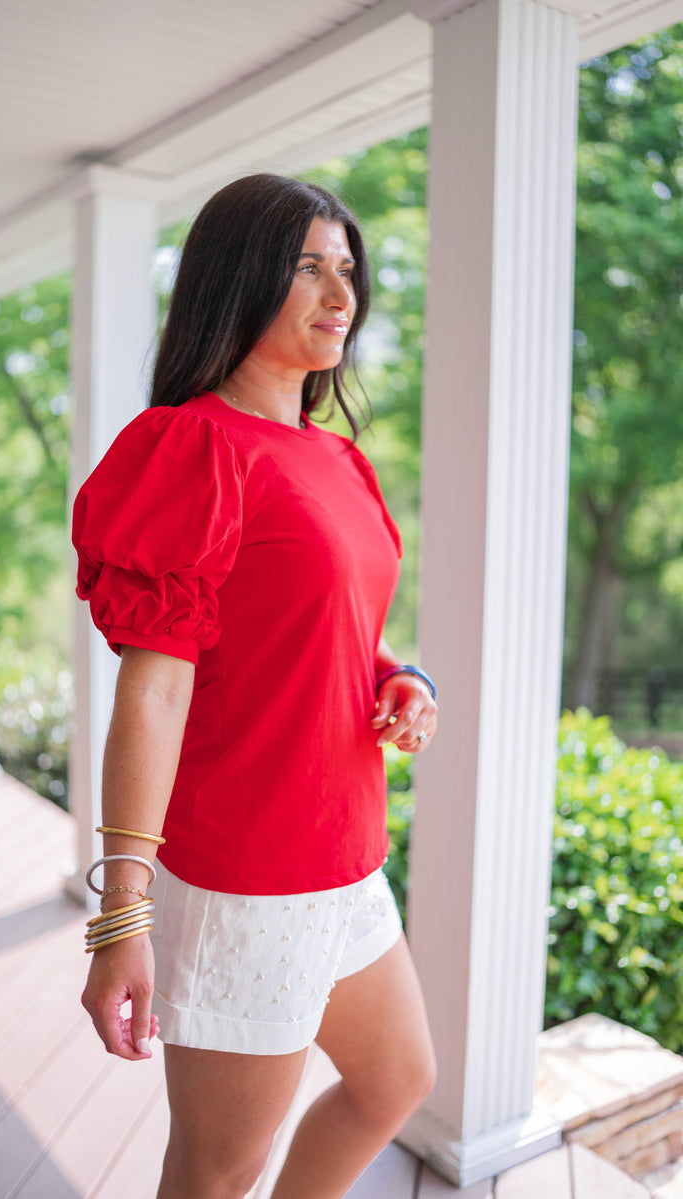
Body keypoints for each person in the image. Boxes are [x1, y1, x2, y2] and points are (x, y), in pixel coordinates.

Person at [73, 173, 437, 1199]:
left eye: (346, 268)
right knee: (215, 1170)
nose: (340, 293)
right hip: (248, 882)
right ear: (236, 282)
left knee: (395, 1079)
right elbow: (152, 693)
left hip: (345, 860)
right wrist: (120, 919)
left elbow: (328, 629)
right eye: (305, 266)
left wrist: (398, 676)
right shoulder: (192, 448)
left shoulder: (337, 460)